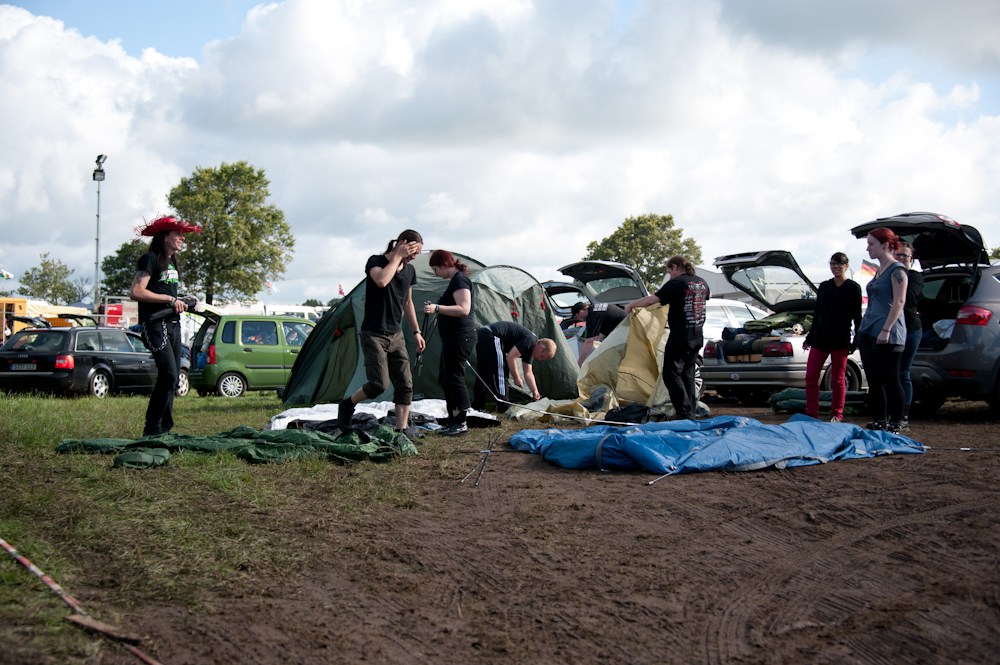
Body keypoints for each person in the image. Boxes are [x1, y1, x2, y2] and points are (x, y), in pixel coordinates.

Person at [338, 230, 425, 436]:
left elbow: (408, 302)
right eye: (413, 251)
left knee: (405, 385)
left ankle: (401, 431)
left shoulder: (410, 271)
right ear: (402, 243)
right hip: (373, 333)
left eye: (417, 253)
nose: (414, 257)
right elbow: (382, 281)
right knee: (379, 384)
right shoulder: (375, 261)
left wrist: (416, 332)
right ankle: (347, 404)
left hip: (396, 335)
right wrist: (396, 256)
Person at [129, 216, 201, 437]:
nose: (181, 238)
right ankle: (151, 429)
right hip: (155, 325)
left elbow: (164, 293)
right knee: (169, 374)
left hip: (173, 325)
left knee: (174, 377)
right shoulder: (150, 258)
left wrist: (182, 299)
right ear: (163, 237)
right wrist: (170, 300)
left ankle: (165, 429)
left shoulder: (172, 263)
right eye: (177, 234)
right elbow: (136, 292)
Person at [625, 255, 710, 420]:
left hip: (680, 336)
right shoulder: (701, 282)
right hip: (697, 336)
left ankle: (684, 412)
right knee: (688, 375)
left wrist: (631, 305)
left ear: (675, 267)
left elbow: (651, 300)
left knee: (671, 375)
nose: (670, 275)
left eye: (669, 271)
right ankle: (690, 411)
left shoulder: (677, 283)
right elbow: (708, 296)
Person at [857, 227, 908, 433]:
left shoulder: (897, 270)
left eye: (871, 244)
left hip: (887, 333)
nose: (867, 248)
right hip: (868, 330)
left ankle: (896, 423)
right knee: (874, 380)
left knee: (891, 380)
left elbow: (900, 301)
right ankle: (879, 421)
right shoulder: (879, 270)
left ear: (885, 245)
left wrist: (886, 329)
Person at [802, 253, 863, 423]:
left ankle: (836, 414)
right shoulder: (825, 287)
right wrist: (810, 337)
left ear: (846, 266)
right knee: (811, 377)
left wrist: (856, 340)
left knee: (838, 378)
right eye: (833, 264)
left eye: (840, 264)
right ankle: (811, 414)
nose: (836, 267)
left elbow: (858, 317)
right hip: (820, 338)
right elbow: (818, 313)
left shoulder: (853, 288)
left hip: (840, 339)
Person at [423, 249, 475, 436]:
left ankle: (460, 422)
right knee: (446, 378)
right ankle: (453, 420)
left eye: (436, 269)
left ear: (444, 265)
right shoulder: (455, 281)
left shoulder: (460, 279)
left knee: (455, 377)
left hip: (460, 336)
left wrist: (437, 308)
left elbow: (464, 308)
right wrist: (441, 316)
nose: (435, 274)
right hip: (452, 336)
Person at [471, 321, 557, 409]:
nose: (540, 359)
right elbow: (510, 358)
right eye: (542, 357)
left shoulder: (530, 349)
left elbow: (528, 373)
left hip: (483, 333)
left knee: (483, 372)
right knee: (501, 371)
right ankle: (504, 406)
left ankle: (478, 405)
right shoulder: (530, 340)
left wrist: (535, 391)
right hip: (492, 335)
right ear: (541, 347)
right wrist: (516, 378)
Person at [895, 241, 923, 430]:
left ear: (911, 259)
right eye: (897, 254)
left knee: (903, 372)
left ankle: (903, 416)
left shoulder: (915, 277)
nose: (900, 258)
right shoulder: (889, 274)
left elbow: (910, 297)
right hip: (893, 329)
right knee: (891, 373)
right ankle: (892, 413)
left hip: (911, 329)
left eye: (904, 255)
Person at [572, 301, 627, 366]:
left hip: (626, 329)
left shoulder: (592, 316)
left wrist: (579, 362)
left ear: (581, 312)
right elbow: (601, 333)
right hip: (627, 325)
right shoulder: (596, 309)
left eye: (576, 316)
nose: (578, 319)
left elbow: (589, 342)